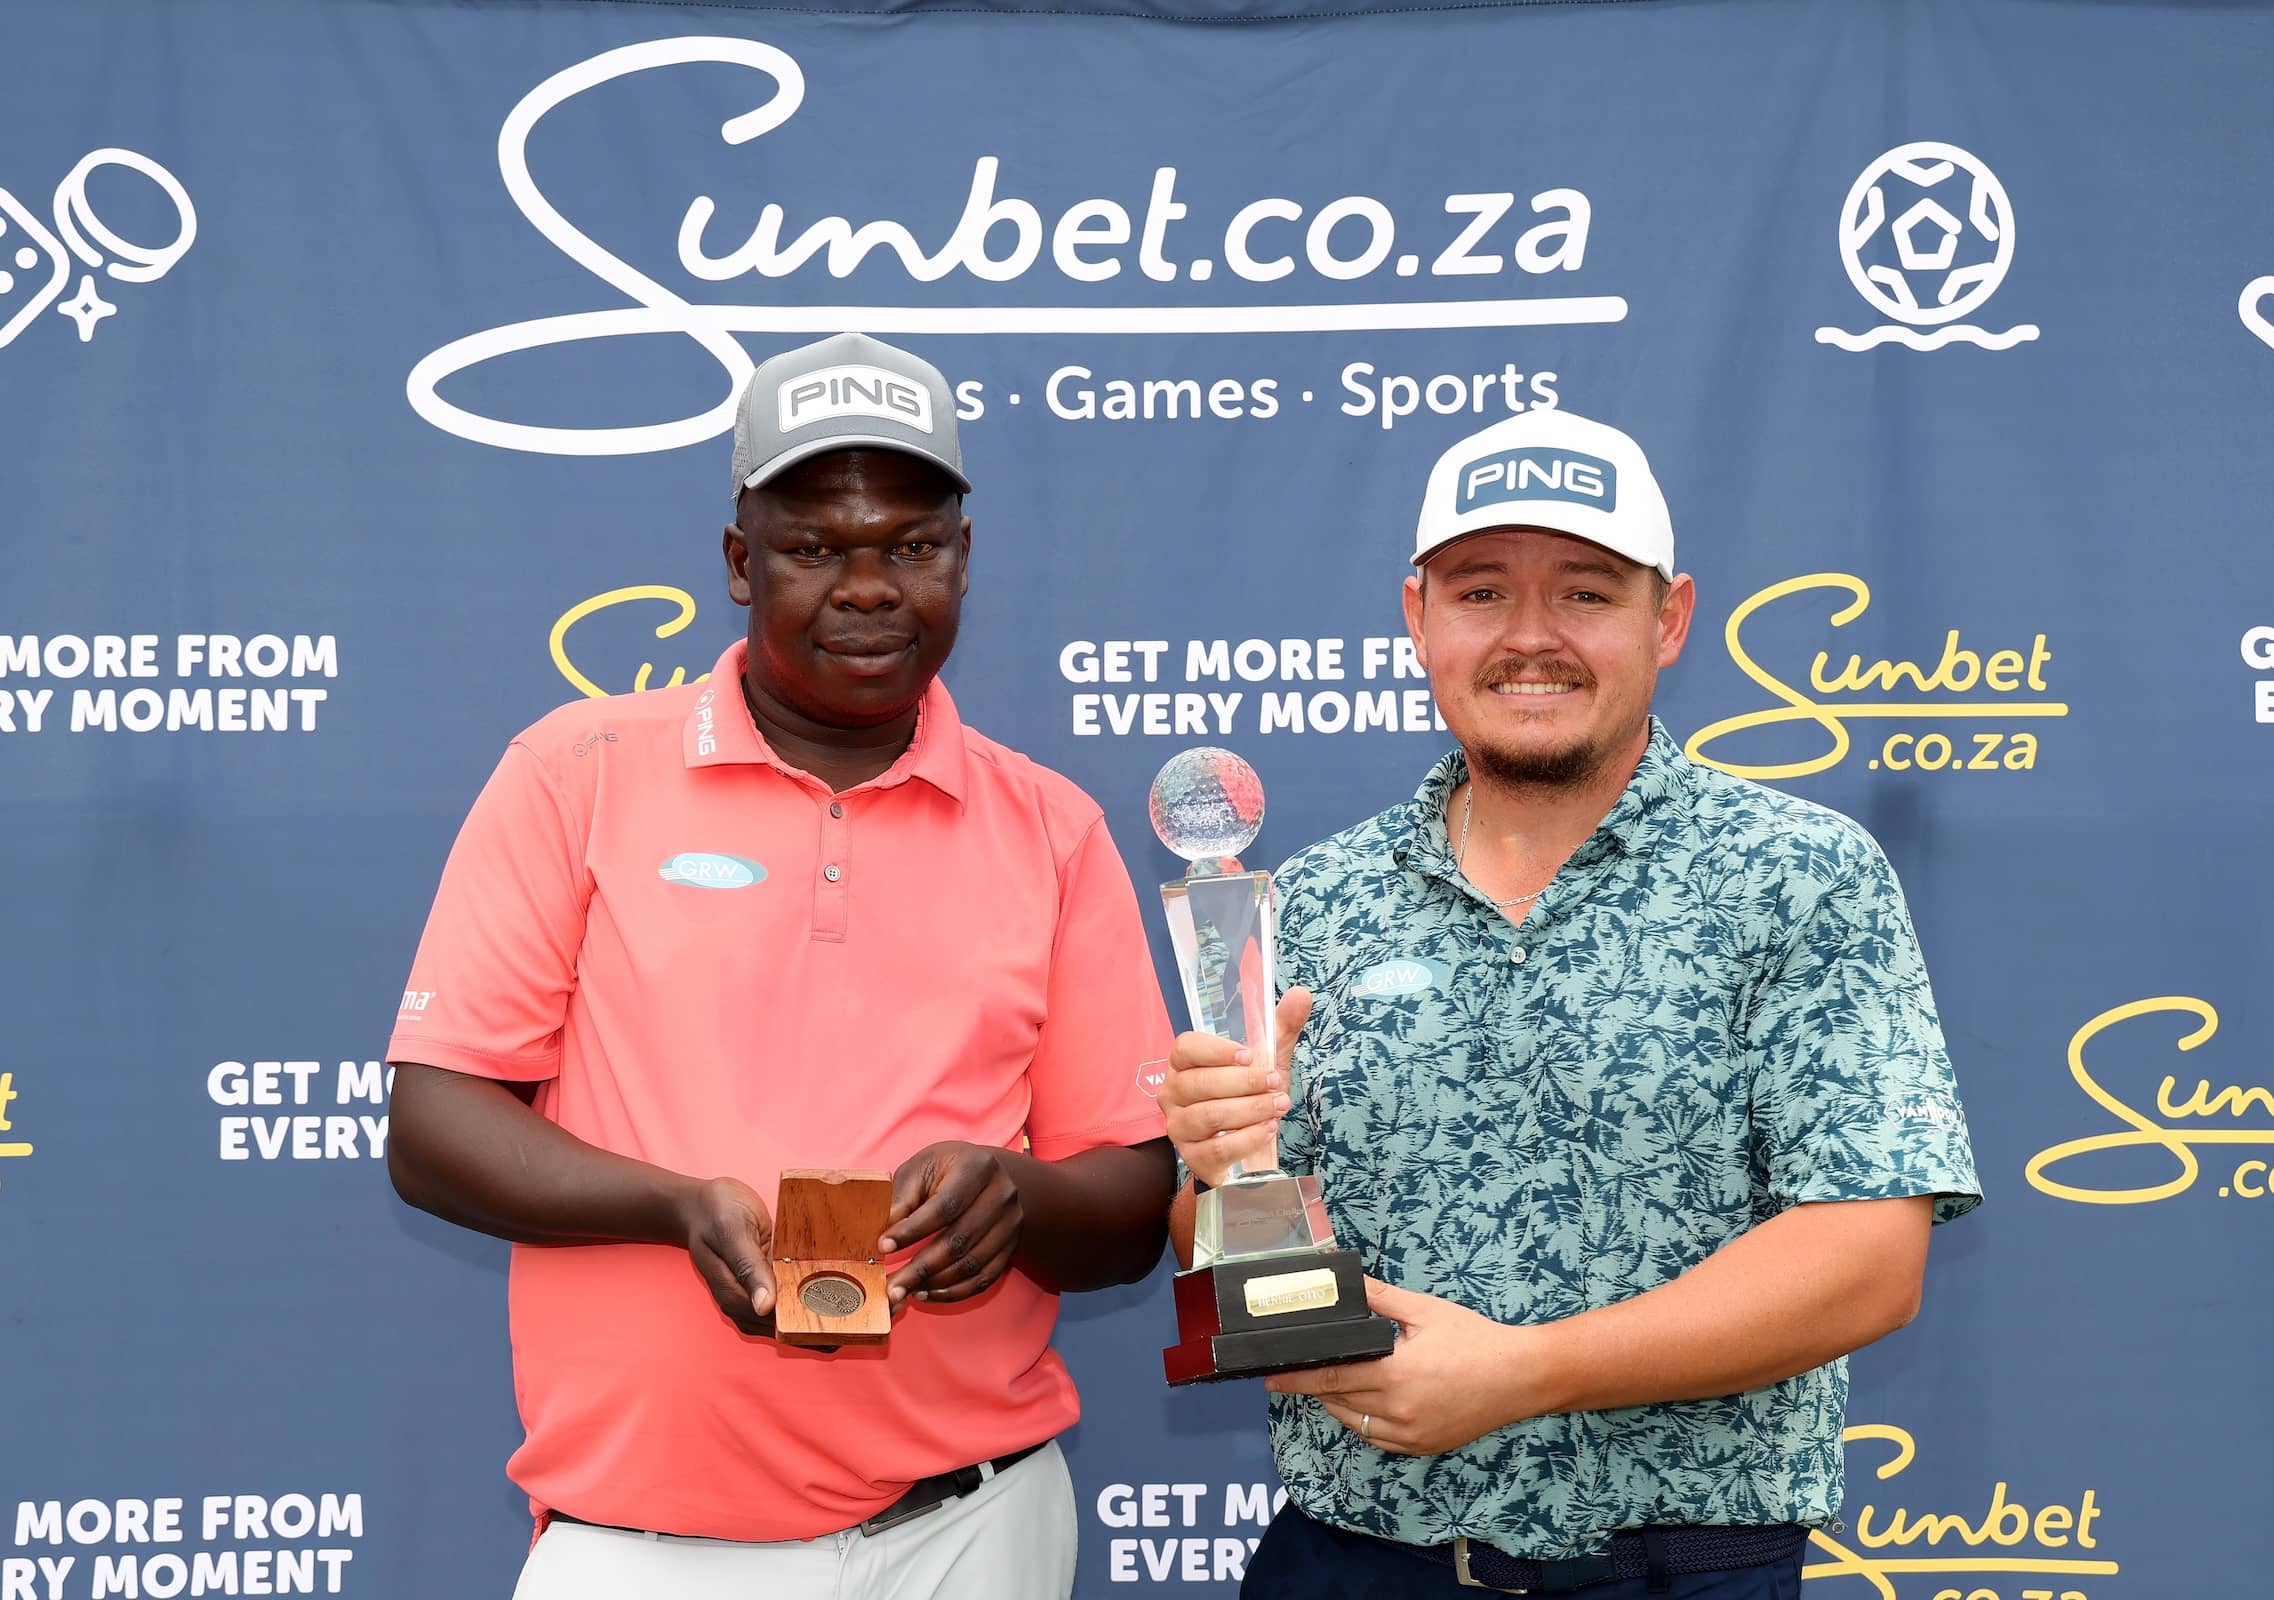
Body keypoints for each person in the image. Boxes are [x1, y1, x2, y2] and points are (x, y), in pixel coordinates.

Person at [386, 332, 1175, 1600]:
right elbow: (432, 1129)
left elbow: (1134, 1201)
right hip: (645, 1548)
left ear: (964, 561)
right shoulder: (576, 772)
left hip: (973, 1531)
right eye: (816, 547)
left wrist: (1015, 1198)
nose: (869, 587)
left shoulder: (1052, 826)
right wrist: (677, 1204)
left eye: (913, 545)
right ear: (741, 563)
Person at [1159, 409, 1982, 1598]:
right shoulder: (1316, 898)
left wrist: (1526, 1370)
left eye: (1587, 594)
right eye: (1483, 591)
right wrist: (1221, 1178)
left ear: (1672, 617)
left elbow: (1868, 1258)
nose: (1531, 638)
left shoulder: (1801, 873)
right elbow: (1229, 1269)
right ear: (1418, 617)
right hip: (1349, 1561)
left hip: (1675, 1570)